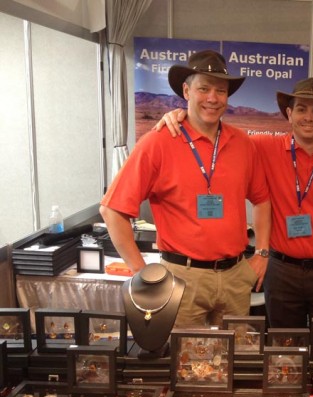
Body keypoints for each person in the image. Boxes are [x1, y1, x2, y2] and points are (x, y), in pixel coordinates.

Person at [155, 77, 313, 328]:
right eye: (301, 109)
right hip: (281, 271)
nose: (308, 117)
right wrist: (183, 116)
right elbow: (215, 134)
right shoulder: (263, 147)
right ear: (289, 113)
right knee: (284, 352)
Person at [100, 50, 271, 328]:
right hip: (182, 278)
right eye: (203, 88)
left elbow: (262, 200)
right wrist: (140, 272)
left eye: (221, 90)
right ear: (186, 91)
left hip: (235, 277)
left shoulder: (242, 143)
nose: (212, 98)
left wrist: (262, 254)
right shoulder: (158, 142)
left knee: (237, 360)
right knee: (188, 364)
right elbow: (112, 210)